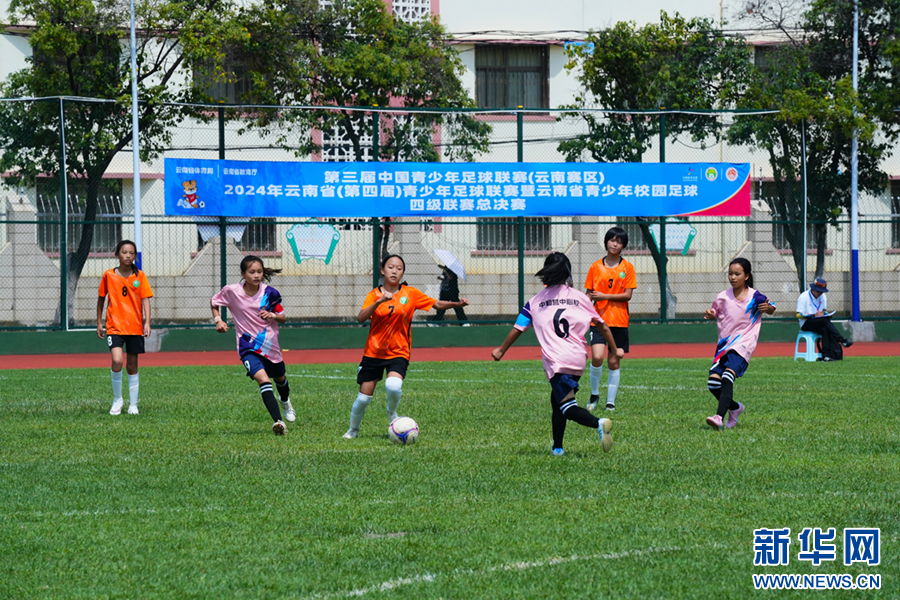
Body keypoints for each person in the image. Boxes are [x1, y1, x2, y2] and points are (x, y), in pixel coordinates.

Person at [492, 252, 622, 456]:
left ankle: (599, 423)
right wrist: (615, 349)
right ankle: (557, 448)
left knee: (567, 406)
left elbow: (518, 328)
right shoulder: (581, 298)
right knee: (557, 400)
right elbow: (603, 326)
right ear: (568, 272)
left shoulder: (535, 302)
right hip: (578, 358)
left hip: (558, 361)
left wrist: (501, 350)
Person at [343, 254, 469, 439]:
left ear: (403, 273)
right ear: (383, 271)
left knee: (393, 386)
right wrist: (379, 302)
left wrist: (456, 304)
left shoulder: (410, 293)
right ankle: (353, 430)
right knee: (363, 399)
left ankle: (391, 412)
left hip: (399, 352)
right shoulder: (374, 295)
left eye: (399, 268)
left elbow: (435, 303)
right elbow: (361, 317)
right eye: (391, 267)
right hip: (374, 353)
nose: (394, 271)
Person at [210, 255, 295, 436]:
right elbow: (214, 302)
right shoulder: (232, 291)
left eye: (259, 272)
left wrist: (272, 315)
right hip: (247, 347)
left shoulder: (270, 293)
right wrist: (218, 320)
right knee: (263, 380)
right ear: (243, 274)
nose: (256, 275)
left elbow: (283, 317)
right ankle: (279, 422)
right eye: (252, 272)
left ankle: (285, 401)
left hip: (270, 346)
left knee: (280, 379)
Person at [703, 258, 776, 430]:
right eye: (730, 274)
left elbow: (771, 307)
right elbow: (715, 312)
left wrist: (769, 309)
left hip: (743, 345)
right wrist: (711, 314)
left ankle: (719, 417)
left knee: (728, 376)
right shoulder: (722, 297)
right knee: (713, 384)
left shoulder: (755, 296)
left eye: (737, 274)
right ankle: (735, 408)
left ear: (747, 276)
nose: (733, 277)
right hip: (724, 347)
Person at [97, 240, 153, 416]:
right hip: (114, 326)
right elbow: (101, 298)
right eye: (124, 252)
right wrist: (99, 322)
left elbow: (146, 299)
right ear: (117, 254)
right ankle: (117, 399)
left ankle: (133, 405)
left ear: (134, 256)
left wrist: (147, 322)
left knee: (132, 365)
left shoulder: (140, 276)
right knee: (117, 360)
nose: (128, 255)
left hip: (135, 327)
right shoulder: (108, 275)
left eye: (131, 253)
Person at [583, 226, 636, 411]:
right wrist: (582, 308)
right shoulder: (595, 267)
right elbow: (589, 294)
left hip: (619, 321)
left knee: (613, 362)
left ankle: (610, 403)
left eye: (619, 242)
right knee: (597, 357)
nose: (615, 244)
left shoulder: (627, 267)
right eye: (612, 240)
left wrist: (604, 296)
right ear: (606, 242)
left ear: (623, 246)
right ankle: (594, 394)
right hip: (598, 321)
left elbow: (627, 295)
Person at [796, 277, 853, 361]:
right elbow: (798, 315)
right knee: (825, 321)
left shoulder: (823, 297)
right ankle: (841, 339)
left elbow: (823, 311)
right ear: (813, 289)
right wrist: (812, 315)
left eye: (821, 292)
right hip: (806, 323)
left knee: (825, 329)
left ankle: (826, 355)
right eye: (818, 291)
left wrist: (826, 314)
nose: (820, 293)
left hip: (820, 322)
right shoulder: (803, 297)